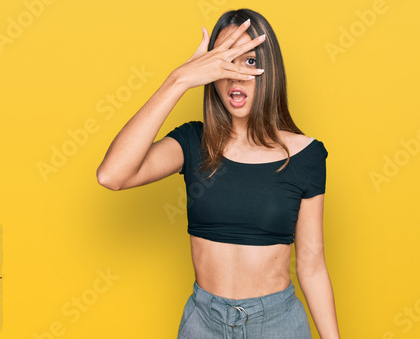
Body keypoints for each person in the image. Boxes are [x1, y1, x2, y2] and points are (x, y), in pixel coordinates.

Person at [96, 8, 340, 339]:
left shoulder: (306, 156)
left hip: (277, 325)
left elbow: (311, 266)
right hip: (203, 324)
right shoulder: (192, 142)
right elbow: (112, 175)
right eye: (226, 60)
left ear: (270, 72)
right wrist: (179, 78)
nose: (236, 75)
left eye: (250, 61)